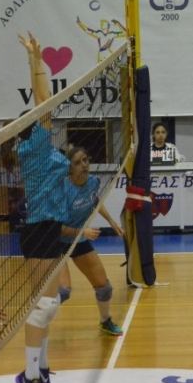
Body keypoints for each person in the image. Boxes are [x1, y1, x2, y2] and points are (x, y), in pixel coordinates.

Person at [14, 31, 69, 383]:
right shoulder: (33, 147)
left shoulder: (40, 147)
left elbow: (43, 105)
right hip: (38, 229)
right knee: (42, 305)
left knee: (48, 304)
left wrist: (36, 58)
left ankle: (43, 369)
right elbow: (44, 102)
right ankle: (30, 377)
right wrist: (35, 61)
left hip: (51, 227)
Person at [55, 145, 125, 346]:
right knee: (64, 291)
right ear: (70, 168)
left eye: (85, 160)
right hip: (56, 242)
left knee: (104, 287)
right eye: (77, 163)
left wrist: (112, 222)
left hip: (78, 240)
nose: (84, 165)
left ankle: (105, 321)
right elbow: (55, 227)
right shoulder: (62, 190)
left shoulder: (93, 182)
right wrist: (82, 232)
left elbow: (95, 201)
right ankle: (39, 317)